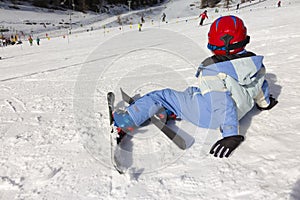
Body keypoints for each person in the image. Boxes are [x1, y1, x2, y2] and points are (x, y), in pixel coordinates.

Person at [113, 15, 278, 158]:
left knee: (161, 96)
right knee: (192, 93)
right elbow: (260, 88)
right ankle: (172, 110)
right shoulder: (255, 65)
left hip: (212, 116)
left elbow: (222, 103)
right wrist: (265, 104)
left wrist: (230, 134)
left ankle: (124, 121)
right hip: (237, 111)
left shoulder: (213, 70)